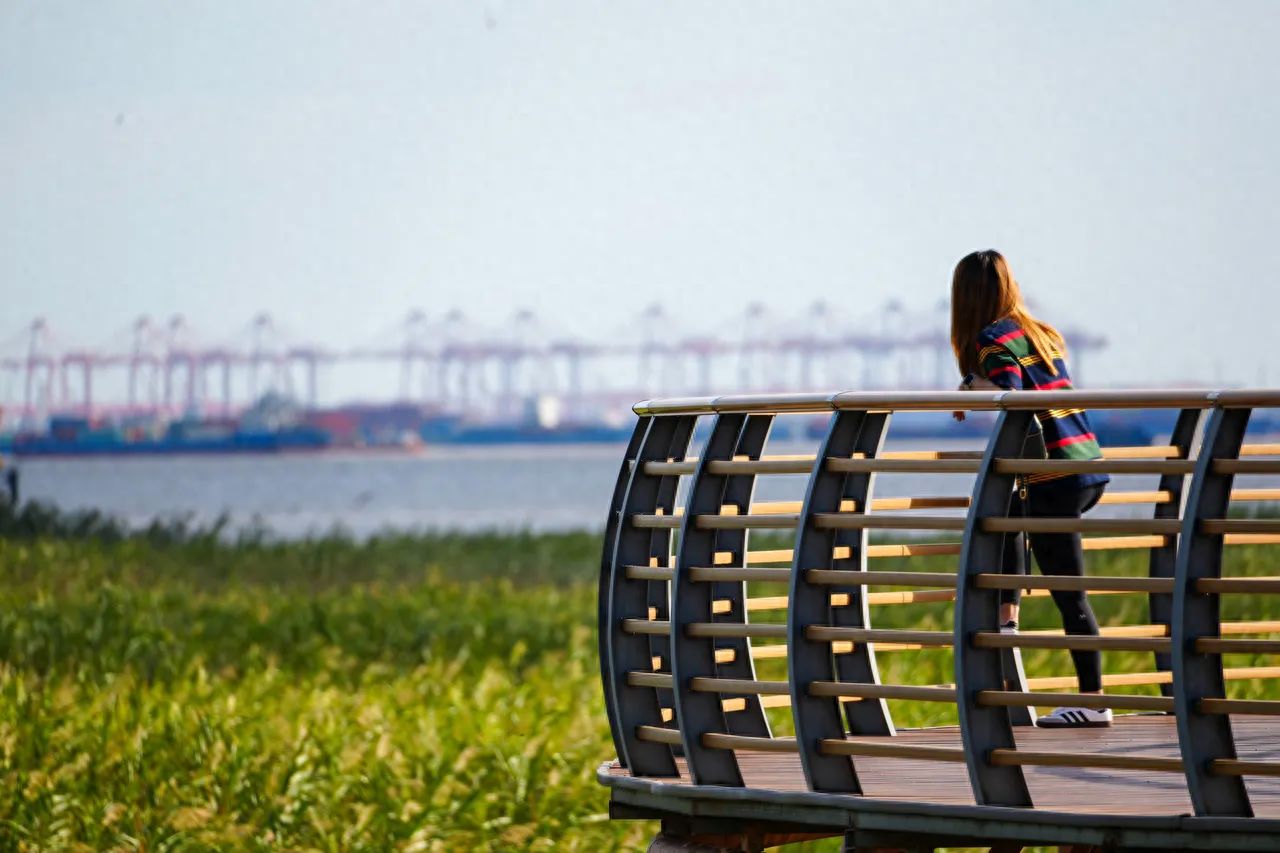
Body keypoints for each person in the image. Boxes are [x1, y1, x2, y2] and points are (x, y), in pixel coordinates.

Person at [951, 249, 1111, 728]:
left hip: (1054, 475)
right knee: (1006, 522)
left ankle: (1093, 700)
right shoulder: (1040, 331)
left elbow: (1012, 395)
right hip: (1082, 460)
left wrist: (969, 388)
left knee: (1068, 591)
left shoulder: (989, 340)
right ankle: (1006, 617)